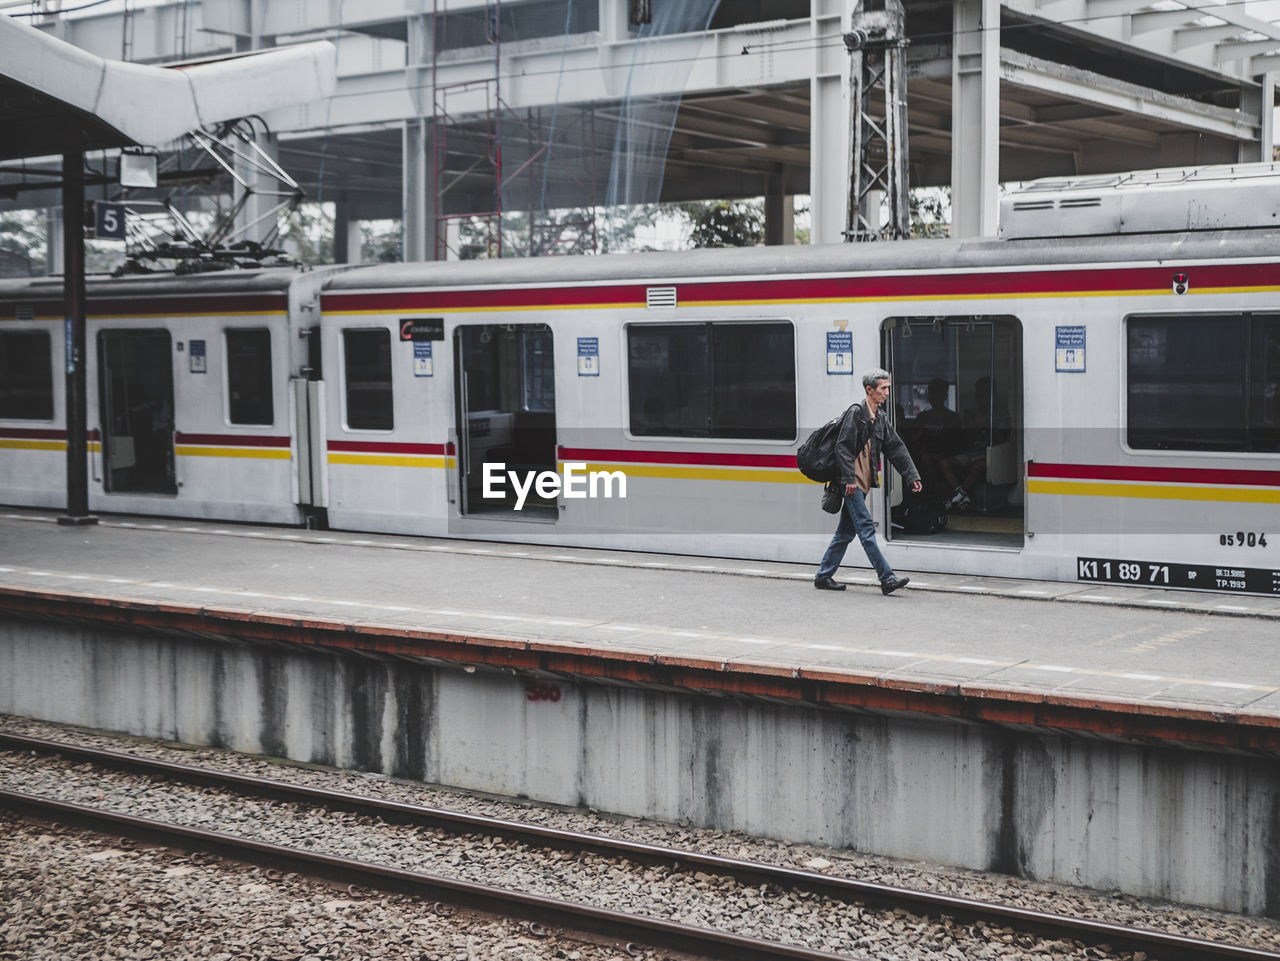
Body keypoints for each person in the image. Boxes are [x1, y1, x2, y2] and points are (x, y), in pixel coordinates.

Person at [815, 368, 922, 595]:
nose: (887, 393)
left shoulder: (880, 418)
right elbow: (842, 448)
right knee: (865, 529)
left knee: (845, 533)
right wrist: (848, 479)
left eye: (888, 388)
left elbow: (896, 448)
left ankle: (823, 576)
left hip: (862, 483)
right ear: (869, 390)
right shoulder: (856, 413)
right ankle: (887, 578)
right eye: (883, 389)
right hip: (851, 483)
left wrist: (911, 476)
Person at [909, 377, 965, 492]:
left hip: (948, 454)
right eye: (933, 394)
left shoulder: (953, 418)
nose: (935, 398)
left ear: (945, 396)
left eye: (938, 394)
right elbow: (913, 441)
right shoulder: (923, 417)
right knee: (926, 459)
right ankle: (931, 492)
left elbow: (959, 442)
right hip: (926, 454)